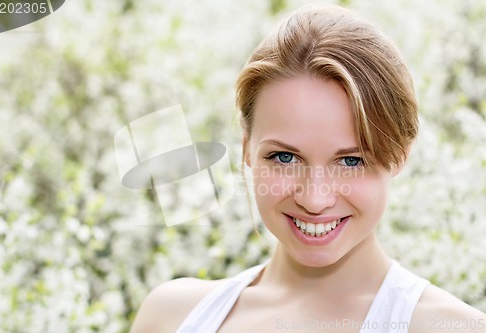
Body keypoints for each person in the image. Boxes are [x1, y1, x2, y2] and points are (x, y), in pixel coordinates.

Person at [130, 5, 486, 333]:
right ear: (246, 148)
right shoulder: (170, 316)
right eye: (285, 158)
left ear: (400, 154)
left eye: (351, 161)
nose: (314, 199)